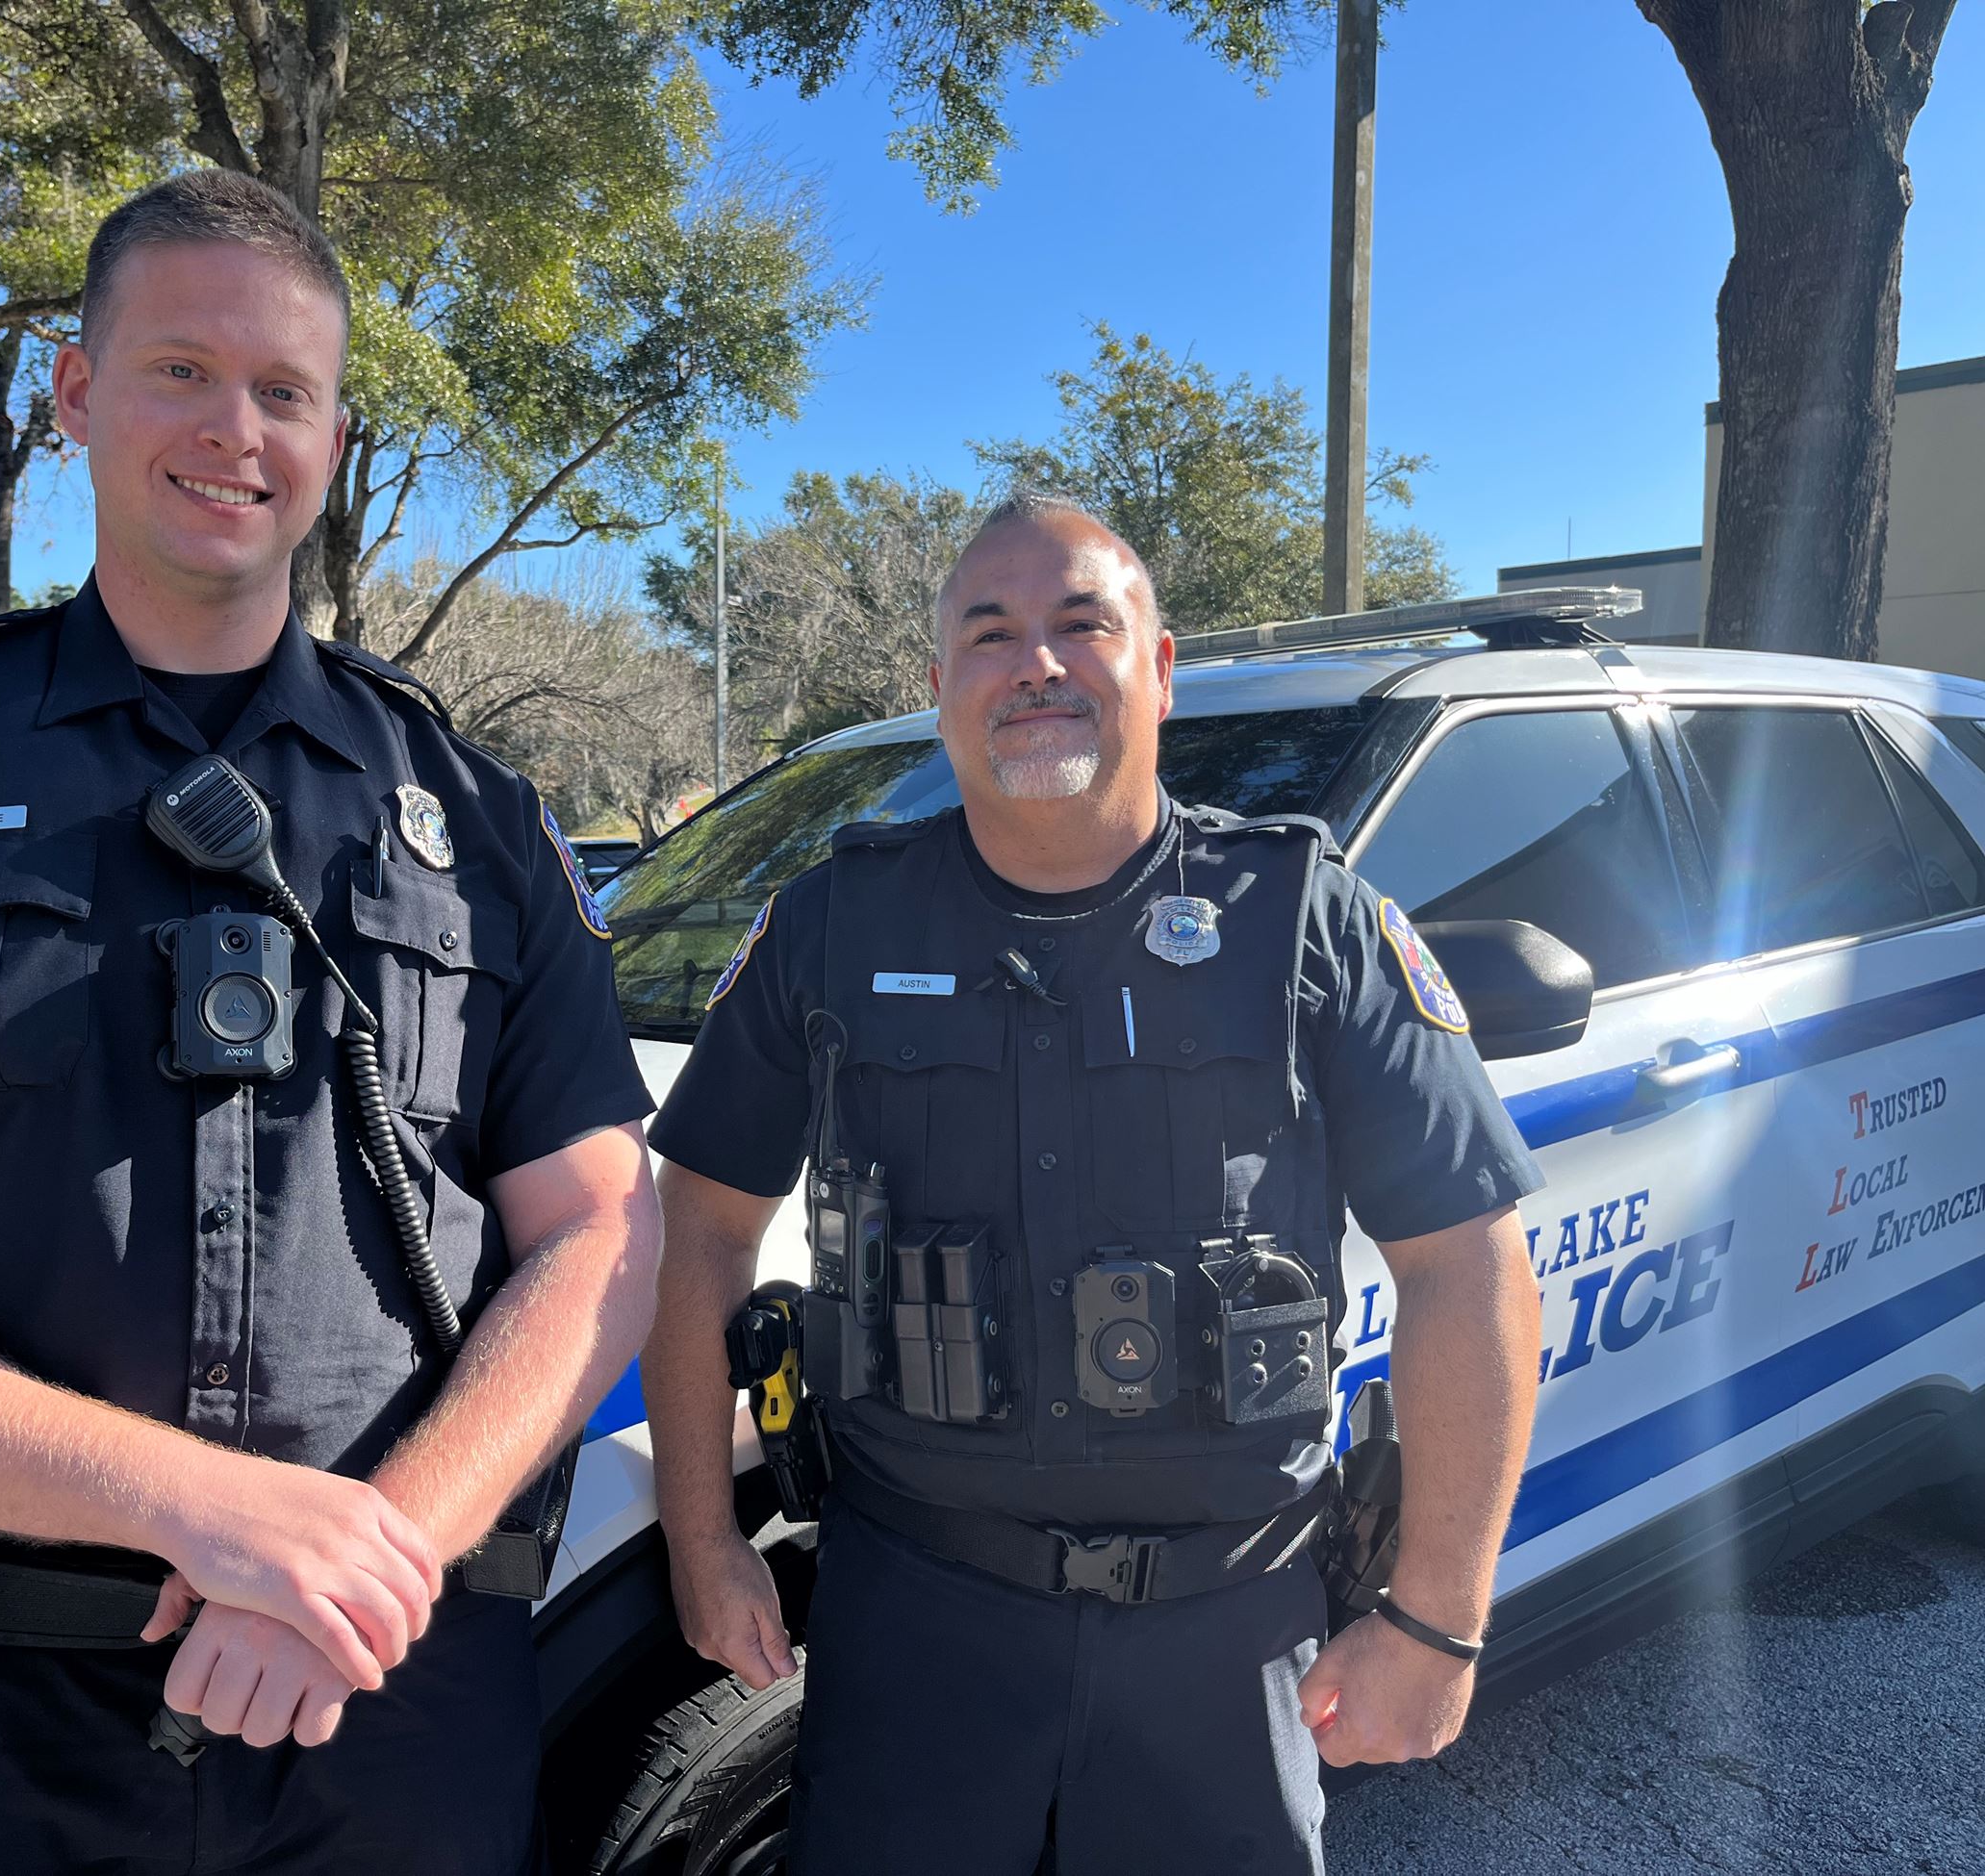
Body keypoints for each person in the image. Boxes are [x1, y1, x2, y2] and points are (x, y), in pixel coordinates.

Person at [0, 170, 661, 1875]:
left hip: (380, 1712)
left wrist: (366, 1549)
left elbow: (600, 1232)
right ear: (76, 394)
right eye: (180, 368)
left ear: (331, 435)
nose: (233, 429)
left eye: (284, 390)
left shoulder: (471, 815)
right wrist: (193, 1506)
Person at [642, 493, 1547, 1874]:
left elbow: (1468, 1265)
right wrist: (704, 1543)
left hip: (1228, 1635)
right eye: (991, 633)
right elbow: (698, 1231)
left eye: (1082, 624)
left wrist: (1437, 1617)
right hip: (914, 1633)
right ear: (942, 682)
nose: (1037, 665)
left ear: (1162, 667)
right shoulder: (832, 925)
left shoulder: (1308, 920)